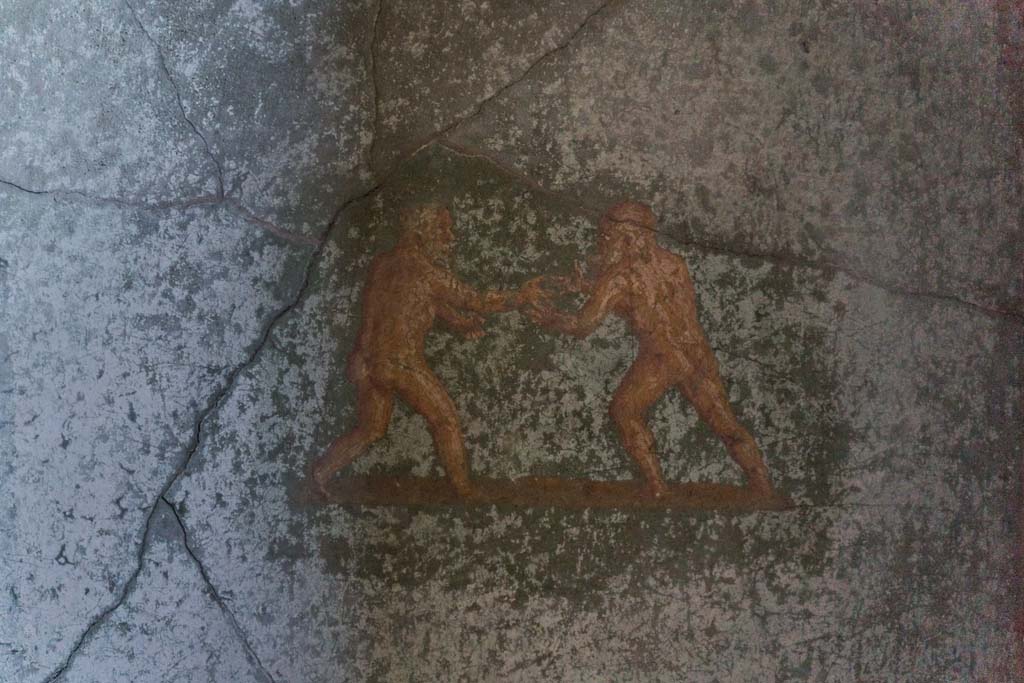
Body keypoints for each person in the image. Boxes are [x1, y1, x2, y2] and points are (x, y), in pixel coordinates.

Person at [528, 200, 776, 498]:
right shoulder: (674, 263)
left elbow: (584, 324)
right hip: (696, 353)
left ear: (630, 237)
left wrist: (553, 319)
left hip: (661, 358)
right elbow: (651, 306)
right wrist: (588, 288)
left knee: (624, 410)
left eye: (607, 237)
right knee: (724, 422)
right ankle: (762, 485)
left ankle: (657, 486)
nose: (601, 243)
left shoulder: (619, 276)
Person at [312, 203, 545, 497]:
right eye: (442, 229)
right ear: (422, 232)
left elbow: (408, 305)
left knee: (371, 429)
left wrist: (459, 324)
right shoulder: (428, 273)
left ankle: (321, 472)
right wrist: (521, 296)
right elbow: (478, 299)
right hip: (401, 363)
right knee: (444, 419)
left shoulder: (384, 264)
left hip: (370, 361)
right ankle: (464, 489)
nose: (449, 237)